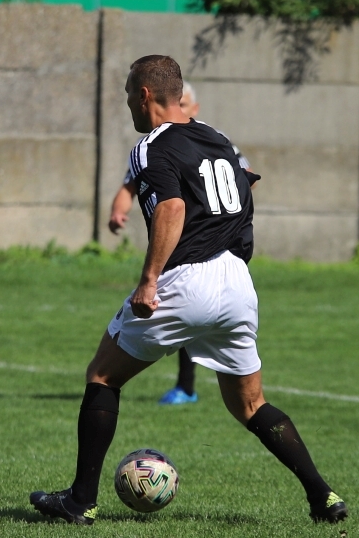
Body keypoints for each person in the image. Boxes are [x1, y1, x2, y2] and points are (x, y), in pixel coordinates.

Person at [30, 55, 347, 526]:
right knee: (250, 404)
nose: (129, 108)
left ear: (143, 96)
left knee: (102, 376)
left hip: (185, 278)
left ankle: (80, 501)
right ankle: (323, 496)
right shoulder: (219, 138)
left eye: (127, 97)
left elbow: (172, 210)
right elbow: (247, 185)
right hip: (237, 280)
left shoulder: (150, 146)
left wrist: (149, 279)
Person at [107, 81, 254, 408]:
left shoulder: (214, 140)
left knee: (102, 376)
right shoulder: (158, 148)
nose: (179, 111)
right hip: (225, 271)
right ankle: (186, 387)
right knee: (251, 407)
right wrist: (118, 212)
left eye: (184, 105)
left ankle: (185, 387)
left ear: (193, 108)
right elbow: (129, 184)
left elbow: (246, 177)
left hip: (203, 260)